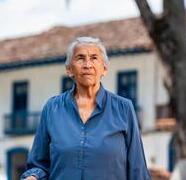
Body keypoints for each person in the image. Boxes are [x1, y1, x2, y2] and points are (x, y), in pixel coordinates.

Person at [21, 37, 151, 180]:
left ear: (104, 69)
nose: (87, 64)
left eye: (94, 58)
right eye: (80, 58)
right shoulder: (52, 109)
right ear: (69, 70)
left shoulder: (124, 109)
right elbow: (38, 164)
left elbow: (137, 169)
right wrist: (33, 177)